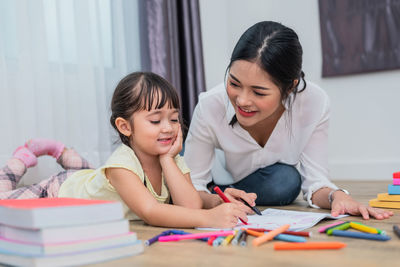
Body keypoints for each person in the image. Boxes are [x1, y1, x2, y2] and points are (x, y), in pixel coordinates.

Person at [184, 21, 393, 220]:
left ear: (290, 87)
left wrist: (337, 196)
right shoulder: (210, 105)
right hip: (217, 179)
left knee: (285, 181)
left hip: (265, 180)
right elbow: (192, 185)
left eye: (258, 92)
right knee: (176, 174)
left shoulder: (314, 103)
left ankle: (234, 197)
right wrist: (214, 201)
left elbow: (316, 181)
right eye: (234, 83)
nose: (242, 100)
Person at [0, 72, 250, 228]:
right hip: (57, 191)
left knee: (90, 174)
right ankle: (23, 156)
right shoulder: (122, 164)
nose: (168, 128)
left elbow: (189, 204)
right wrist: (209, 219)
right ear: (124, 126)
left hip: (93, 186)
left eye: (174, 119)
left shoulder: (171, 159)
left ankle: (59, 149)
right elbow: (151, 212)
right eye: (155, 121)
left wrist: (218, 199)